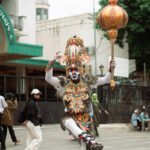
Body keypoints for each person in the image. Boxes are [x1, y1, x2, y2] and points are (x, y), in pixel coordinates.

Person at [45, 36, 115, 150]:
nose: (73, 72)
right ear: (67, 71)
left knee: (84, 146)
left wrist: (111, 69)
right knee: (67, 122)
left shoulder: (87, 80)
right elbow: (48, 79)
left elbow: (106, 79)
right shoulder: (63, 82)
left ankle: (88, 140)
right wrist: (51, 62)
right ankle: (90, 140)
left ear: (80, 70)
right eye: (71, 70)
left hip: (86, 118)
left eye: (75, 70)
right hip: (70, 116)